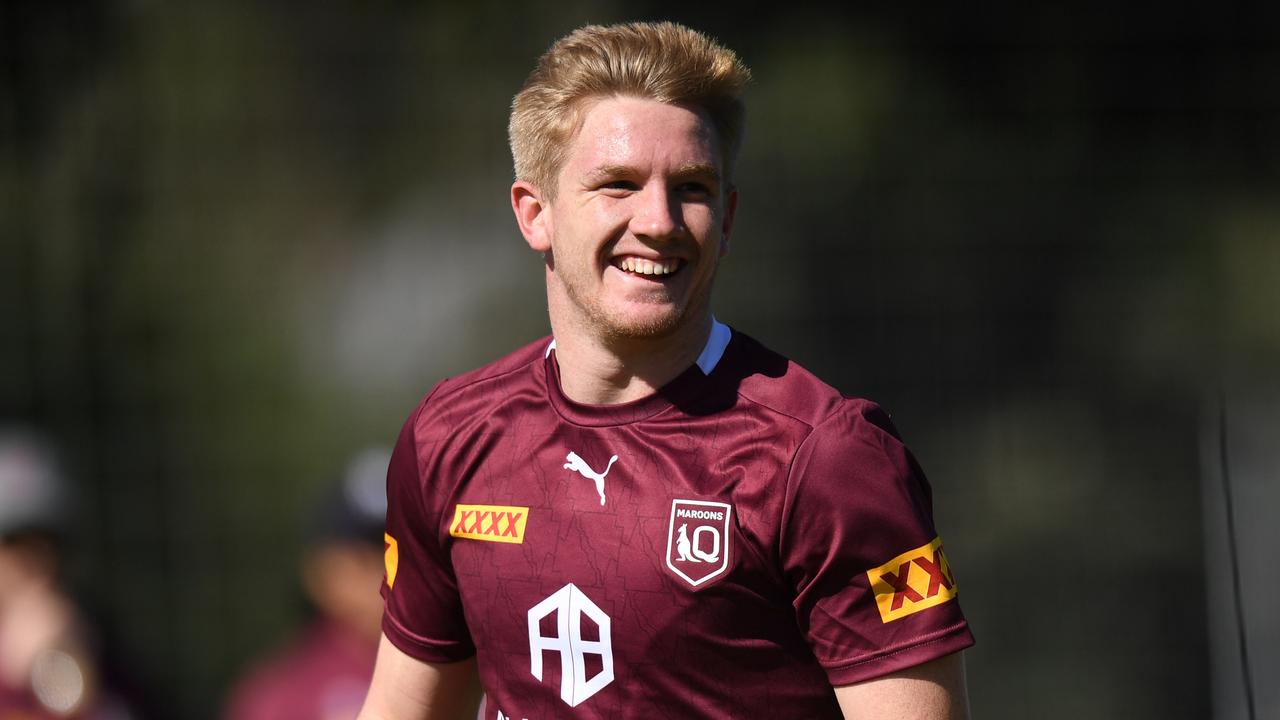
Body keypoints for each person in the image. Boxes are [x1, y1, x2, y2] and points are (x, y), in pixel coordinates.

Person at [359, 21, 974, 720]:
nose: (659, 220)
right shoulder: (450, 439)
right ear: (536, 215)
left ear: (730, 216)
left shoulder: (828, 457)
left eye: (692, 188)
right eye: (618, 185)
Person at [223, 448, 392, 720]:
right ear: (319, 573)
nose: (390, 571)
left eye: (411, 551)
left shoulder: (474, 673)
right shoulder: (280, 699)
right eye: (367, 557)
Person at [0, 429, 138, 720]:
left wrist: (64, 672)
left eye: (49, 541)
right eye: (15, 541)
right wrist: (11, 682)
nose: (36, 559)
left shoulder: (99, 646)